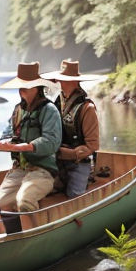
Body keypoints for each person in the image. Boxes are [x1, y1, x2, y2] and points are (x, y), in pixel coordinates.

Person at [0, 62, 62, 212]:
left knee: (24, 200)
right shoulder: (18, 110)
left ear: (37, 88)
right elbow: (7, 133)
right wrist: (4, 142)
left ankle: (38, 233)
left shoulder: (49, 110)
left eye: (26, 85)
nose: (21, 89)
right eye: (20, 85)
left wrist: (21, 147)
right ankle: (15, 233)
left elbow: (51, 142)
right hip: (20, 169)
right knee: (0, 201)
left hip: (43, 171)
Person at [41, 60, 100, 198]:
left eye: (63, 80)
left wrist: (66, 153)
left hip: (78, 164)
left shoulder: (87, 109)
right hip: (56, 162)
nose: (59, 83)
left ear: (74, 81)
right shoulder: (56, 104)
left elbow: (93, 145)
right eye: (59, 80)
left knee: (74, 196)